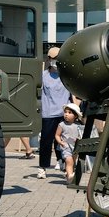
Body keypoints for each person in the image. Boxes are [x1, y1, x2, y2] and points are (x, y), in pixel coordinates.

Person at [37, 47, 71, 179]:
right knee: (46, 142)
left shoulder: (66, 75)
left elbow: (73, 93)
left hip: (64, 114)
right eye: (54, 58)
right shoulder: (43, 75)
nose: (56, 61)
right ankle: (42, 167)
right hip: (48, 113)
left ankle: (65, 167)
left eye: (58, 58)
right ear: (49, 59)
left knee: (63, 142)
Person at [55, 102, 83, 181]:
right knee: (69, 161)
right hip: (66, 147)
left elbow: (81, 134)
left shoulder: (78, 125)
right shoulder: (62, 124)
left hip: (75, 147)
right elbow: (57, 135)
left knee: (72, 162)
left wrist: (79, 139)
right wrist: (60, 142)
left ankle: (69, 175)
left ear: (76, 116)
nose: (66, 114)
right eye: (65, 112)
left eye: (69, 112)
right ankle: (70, 176)